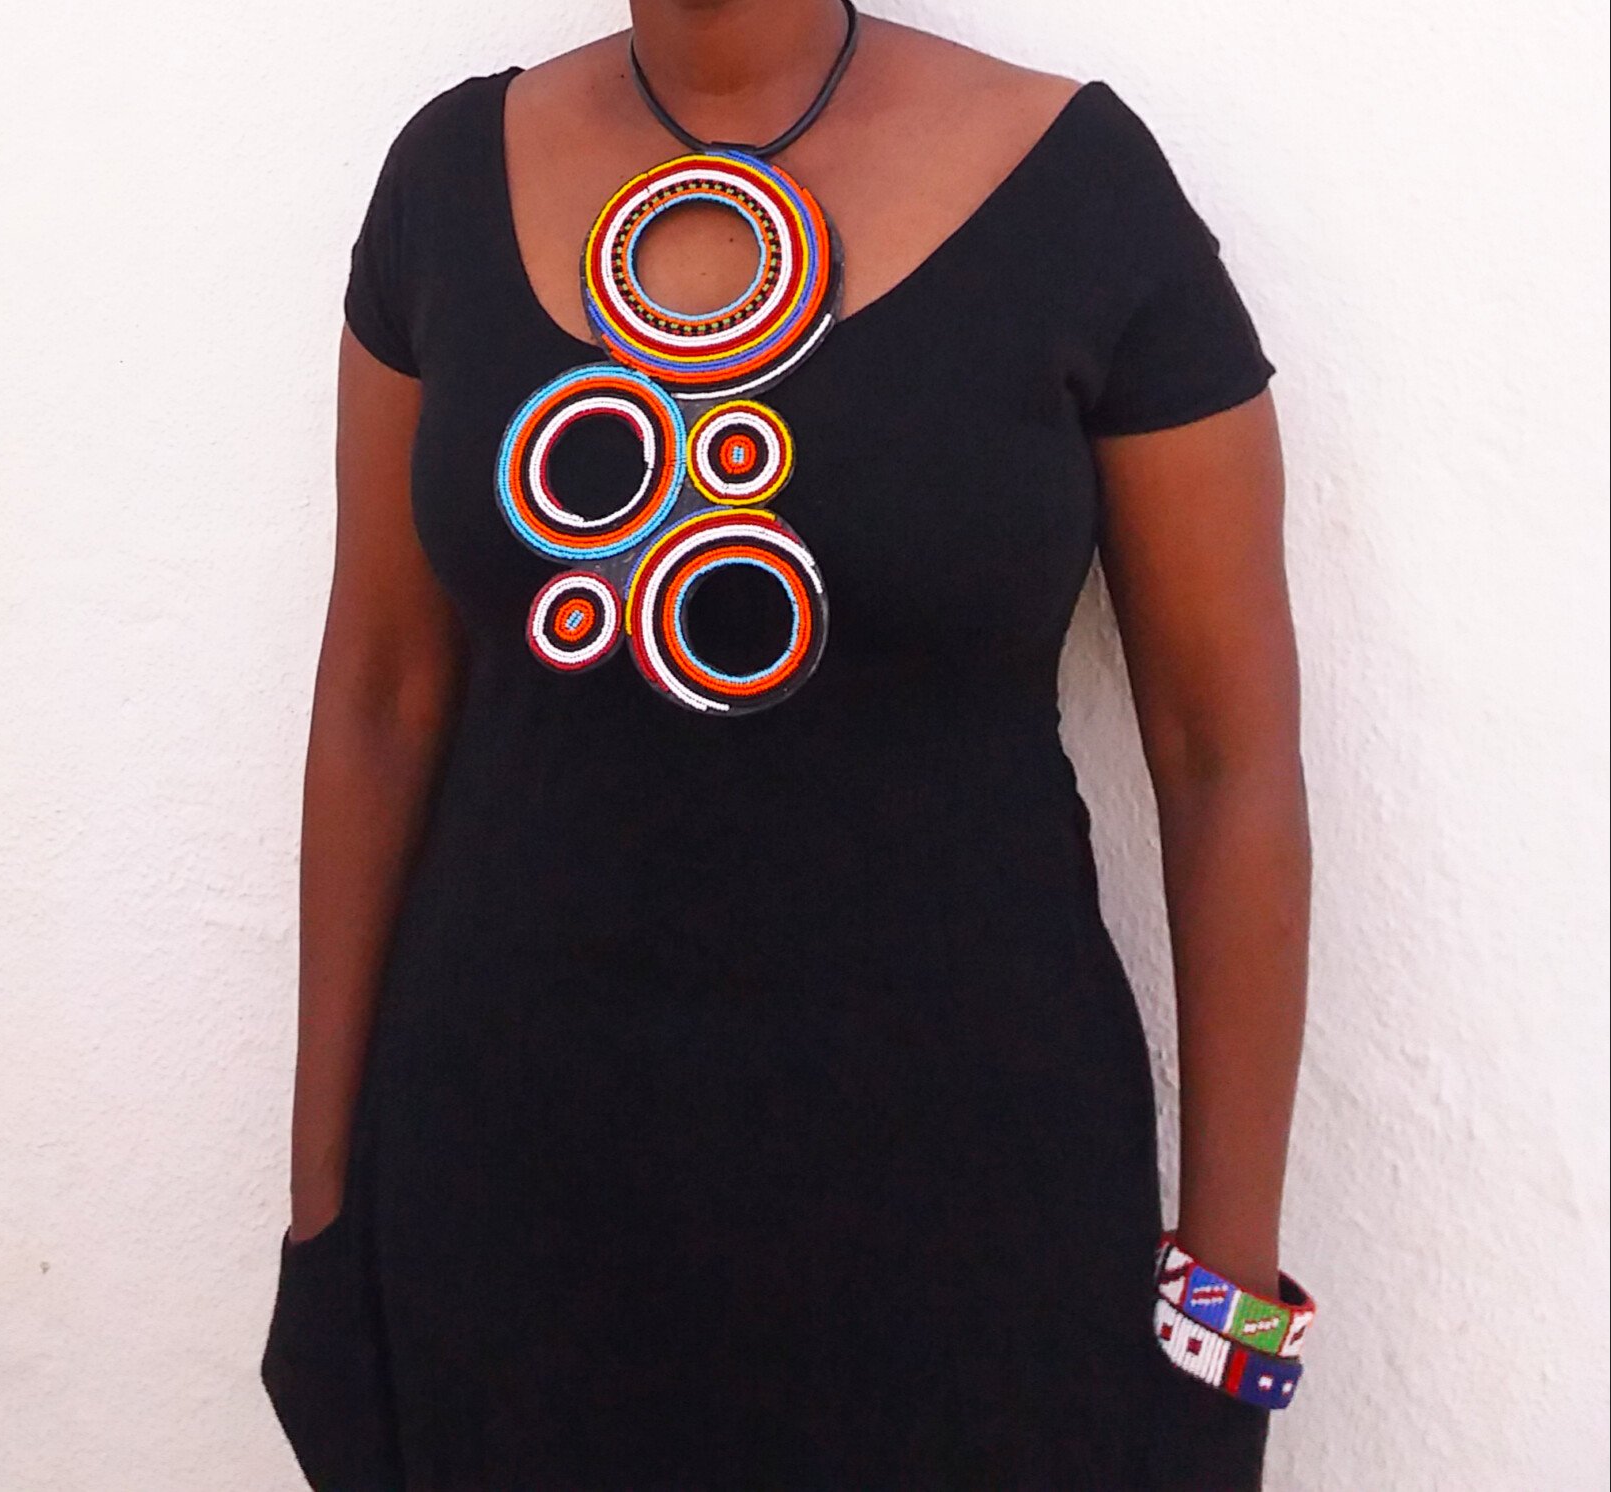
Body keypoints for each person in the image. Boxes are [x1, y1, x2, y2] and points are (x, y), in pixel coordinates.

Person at [261, 1, 1314, 1487]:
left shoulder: (1078, 187)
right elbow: (379, 693)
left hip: (970, 1246)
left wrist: (1226, 1325)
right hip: (501, 1216)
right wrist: (321, 1223)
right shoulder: (446, 178)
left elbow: (1224, 758)